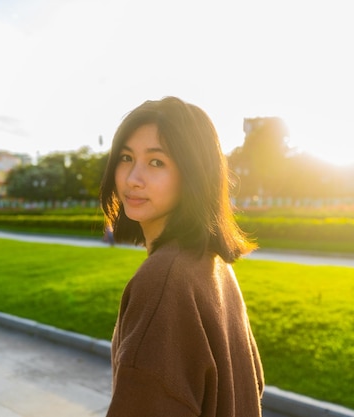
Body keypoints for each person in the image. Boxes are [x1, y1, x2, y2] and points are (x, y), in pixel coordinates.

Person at [100, 96, 264, 416]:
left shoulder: (163, 281)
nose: (133, 178)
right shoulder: (210, 263)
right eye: (125, 157)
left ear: (193, 174)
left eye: (156, 162)